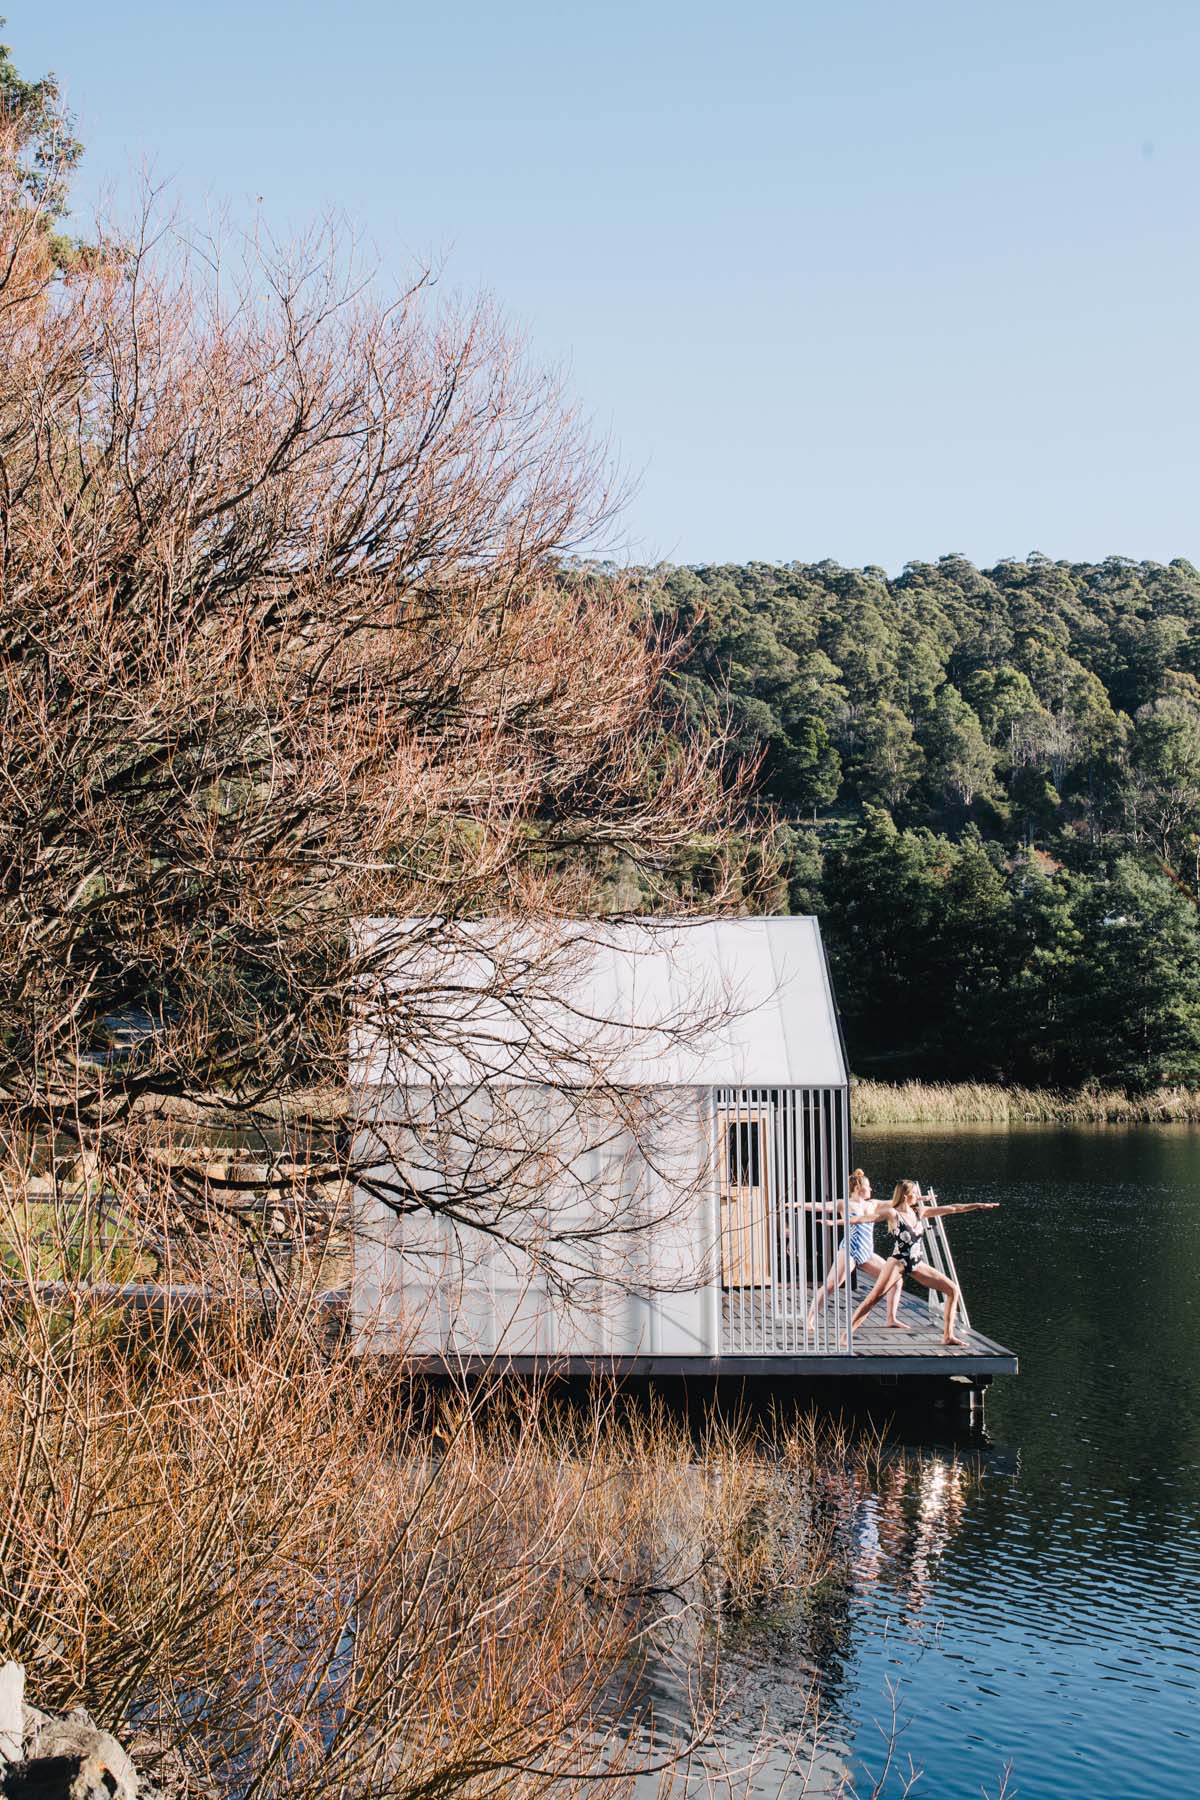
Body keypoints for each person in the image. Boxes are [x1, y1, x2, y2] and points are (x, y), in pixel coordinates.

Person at [851, 1179, 999, 1348]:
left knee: (952, 1290)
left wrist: (978, 1205)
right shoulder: (893, 1213)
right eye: (914, 1193)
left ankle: (948, 1336)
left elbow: (953, 1208)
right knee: (872, 1300)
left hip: (917, 1264)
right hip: (897, 1263)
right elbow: (864, 1219)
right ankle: (847, 1335)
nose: (917, 1196)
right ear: (906, 1196)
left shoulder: (919, 1212)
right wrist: (835, 1223)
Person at [805, 1168, 905, 1333]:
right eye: (868, 1186)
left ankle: (891, 1318)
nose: (871, 1190)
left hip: (867, 1252)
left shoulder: (873, 1204)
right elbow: (820, 1206)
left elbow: (896, 1201)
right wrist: (798, 1205)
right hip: (849, 1251)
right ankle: (810, 1319)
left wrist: (922, 1199)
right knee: (831, 1285)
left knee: (896, 1280)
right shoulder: (844, 1203)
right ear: (859, 1188)